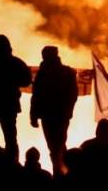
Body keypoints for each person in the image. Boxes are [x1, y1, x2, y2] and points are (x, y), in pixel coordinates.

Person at [30, 46, 78, 174]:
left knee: (54, 147)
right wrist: (68, 111)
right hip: (61, 115)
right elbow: (73, 95)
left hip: (48, 115)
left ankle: (60, 173)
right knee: (59, 145)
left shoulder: (43, 73)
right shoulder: (68, 72)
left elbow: (36, 96)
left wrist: (33, 116)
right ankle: (65, 172)